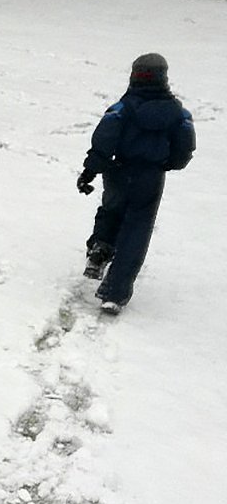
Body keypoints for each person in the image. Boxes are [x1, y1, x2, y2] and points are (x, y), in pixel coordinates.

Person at [76, 53, 196, 314]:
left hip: (118, 170)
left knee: (111, 209)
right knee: (137, 231)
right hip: (151, 177)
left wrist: (90, 171)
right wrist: (167, 163)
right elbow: (184, 149)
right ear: (163, 78)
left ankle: (100, 249)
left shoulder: (122, 108)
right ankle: (114, 293)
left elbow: (104, 139)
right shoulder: (178, 114)